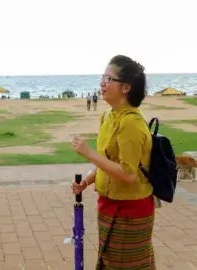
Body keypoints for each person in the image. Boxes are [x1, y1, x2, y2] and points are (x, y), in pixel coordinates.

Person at [71, 55, 155, 269]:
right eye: (103, 77)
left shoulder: (131, 123)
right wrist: (88, 181)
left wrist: (89, 153)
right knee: (109, 263)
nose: (102, 83)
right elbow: (108, 161)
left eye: (109, 78)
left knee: (127, 265)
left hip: (130, 210)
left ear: (126, 87)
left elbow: (128, 174)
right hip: (108, 205)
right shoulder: (108, 117)